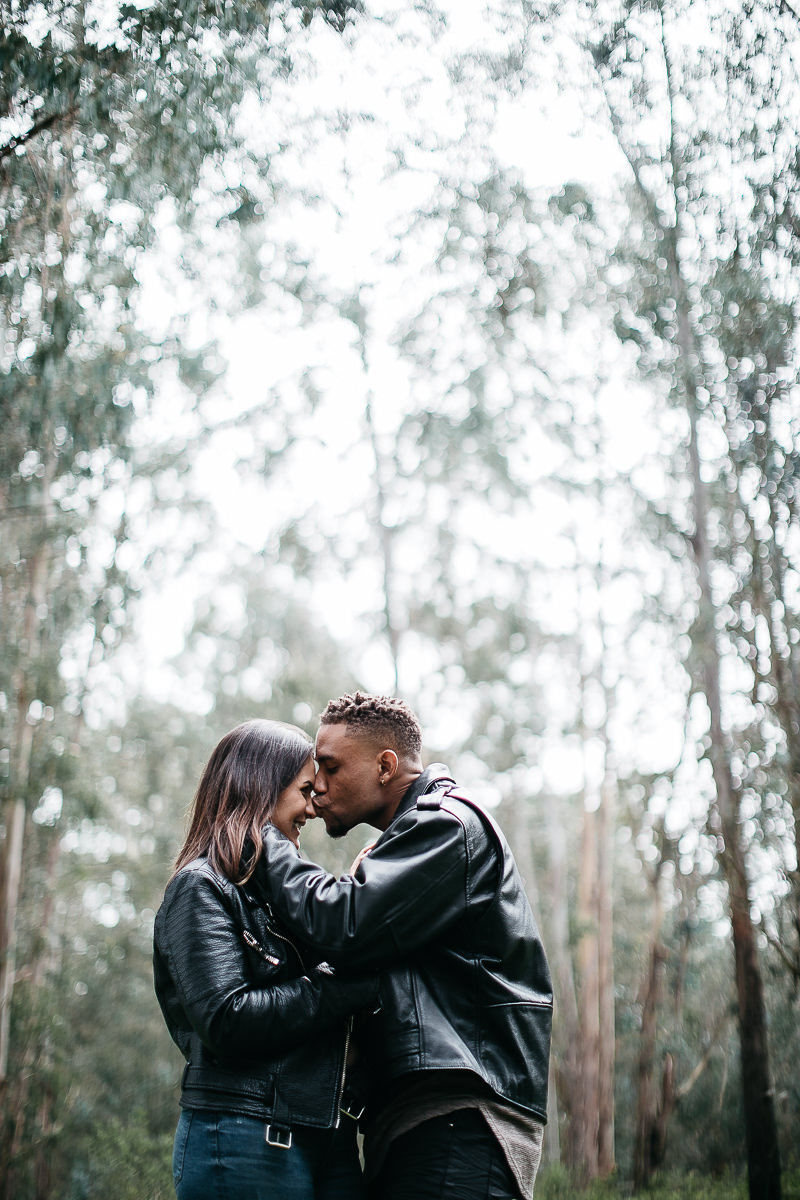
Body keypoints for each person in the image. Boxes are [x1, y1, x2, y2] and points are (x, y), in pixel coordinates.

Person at [255, 692, 553, 1200]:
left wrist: (262, 838)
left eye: (330, 767)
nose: (317, 788)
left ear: (385, 765)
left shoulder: (447, 825)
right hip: (429, 1122)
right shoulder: (408, 840)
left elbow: (343, 922)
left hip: (461, 1123)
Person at [153, 718, 378, 1200]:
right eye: (304, 790)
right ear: (260, 790)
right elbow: (226, 1018)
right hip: (243, 1135)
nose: (313, 808)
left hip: (326, 1136)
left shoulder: (289, 898)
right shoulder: (201, 888)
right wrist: (343, 987)